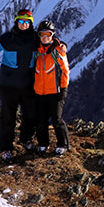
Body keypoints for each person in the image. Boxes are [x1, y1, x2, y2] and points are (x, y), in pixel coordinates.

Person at [0, 9, 38, 161]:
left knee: (30, 115)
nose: (23, 25)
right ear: (16, 22)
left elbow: (49, 45)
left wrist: (60, 45)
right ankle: (6, 148)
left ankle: (26, 139)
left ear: (30, 24)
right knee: (8, 118)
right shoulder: (8, 38)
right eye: (21, 22)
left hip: (28, 84)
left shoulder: (35, 39)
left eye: (26, 22)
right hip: (9, 85)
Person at [31, 20, 70, 156]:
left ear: (53, 35)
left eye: (48, 34)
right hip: (40, 92)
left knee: (56, 119)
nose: (45, 37)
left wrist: (63, 89)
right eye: (42, 34)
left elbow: (65, 70)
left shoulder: (58, 51)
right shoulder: (37, 52)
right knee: (41, 120)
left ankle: (63, 144)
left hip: (56, 91)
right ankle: (43, 144)